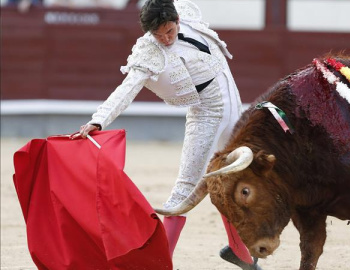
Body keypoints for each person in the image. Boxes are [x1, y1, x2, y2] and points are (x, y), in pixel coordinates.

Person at [73, 0, 261, 269]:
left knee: (236, 176)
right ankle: (161, 263)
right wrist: (99, 120)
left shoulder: (184, 11)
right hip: (206, 114)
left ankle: (239, 250)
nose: (165, 39)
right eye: (158, 35)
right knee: (184, 191)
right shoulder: (147, 53)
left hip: (233, 103)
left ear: (177, 20)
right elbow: (127, 89)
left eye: (169, 31)